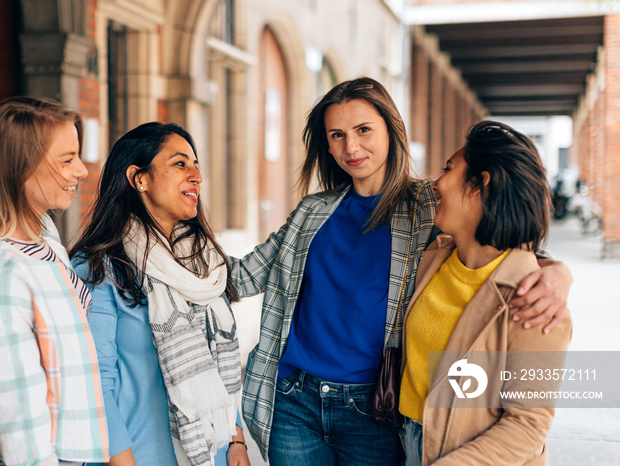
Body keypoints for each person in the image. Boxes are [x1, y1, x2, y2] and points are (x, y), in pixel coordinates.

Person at [230, 77, 572, 465]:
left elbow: (497, 244)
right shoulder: (313, 212)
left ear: (392, 130)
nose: (351, 147)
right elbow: (240, 276)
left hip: (373, 405)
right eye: (337, 135)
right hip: (295, 399)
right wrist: (162, 239)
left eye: (363, 130)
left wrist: (558, 272)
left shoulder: (430, 208)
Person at [69, 122, 251, 466]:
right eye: (180, 164)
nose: (196, 175)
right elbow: (94, 383)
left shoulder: (203, 263)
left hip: (213, 454)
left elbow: (216, 364)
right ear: (140, 179)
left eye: (196, 165)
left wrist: (236, 439)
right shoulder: (98, 267)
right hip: (138, 456)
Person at [398, 120, 573, 465]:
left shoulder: (534, 301)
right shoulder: (434, 256)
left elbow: (527, 424)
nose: (436, 183)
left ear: (480, 185)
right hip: (406, 441)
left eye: (449, 169)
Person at [0, 97, 109, 465]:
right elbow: (18, 403)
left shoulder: (45, 238)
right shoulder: (0, 270)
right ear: (20, 167)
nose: (82, 171)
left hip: (77, 453)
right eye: (67, 159)